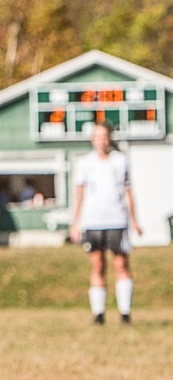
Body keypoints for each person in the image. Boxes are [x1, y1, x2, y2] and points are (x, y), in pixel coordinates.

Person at [69, 121, 142, 325]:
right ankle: (98, 314)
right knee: (98, 265)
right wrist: (75, 223)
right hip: (93, 221)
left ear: (110, 138)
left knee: (121, 264)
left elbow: (129, 192)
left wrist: (135, 221)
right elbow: (79, 195)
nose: (101, 141)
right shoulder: (85, 163)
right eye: (97, 136)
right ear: (93, 139)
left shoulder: (120, 161)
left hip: (117, 220)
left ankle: (125, 313)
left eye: (104, 136)